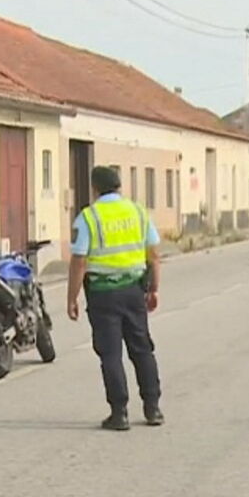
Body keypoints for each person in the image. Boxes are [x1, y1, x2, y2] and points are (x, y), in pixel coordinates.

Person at [67, 166, 164, 431]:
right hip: (134, 291)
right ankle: (152, 408)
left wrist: (72, 298)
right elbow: (154, 255)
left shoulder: (88, 217)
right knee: (142, 348)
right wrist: (154, 289)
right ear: (120, 186)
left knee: (110, 354)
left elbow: (79, 261)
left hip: (102, 295)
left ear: (94, 188)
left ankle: (119, 413)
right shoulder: (138, 212)